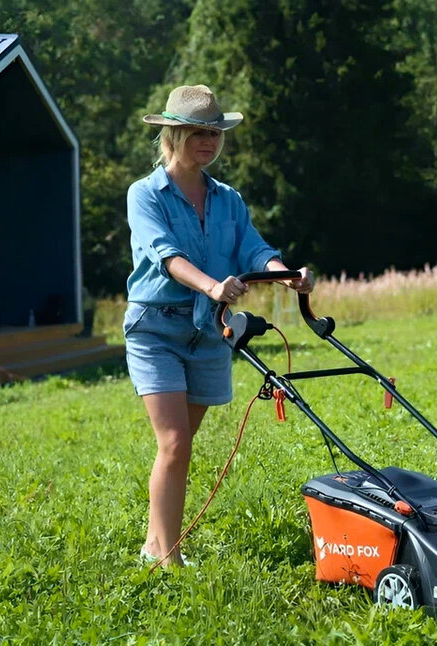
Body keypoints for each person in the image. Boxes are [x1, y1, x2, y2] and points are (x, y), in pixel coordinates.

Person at [126, 84, 313, 567]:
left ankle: (153, 543)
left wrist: (286, 276)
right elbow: (167, 256)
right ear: (173, 134)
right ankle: (168, 558)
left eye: (214, 132)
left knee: (181, 447)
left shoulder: (228, 199)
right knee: (173, 442)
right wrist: (212, 287)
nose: (208, 141)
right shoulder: (145, 195)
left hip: (209, 333)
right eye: (196, 132)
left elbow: (254, 248)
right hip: (157, 329)